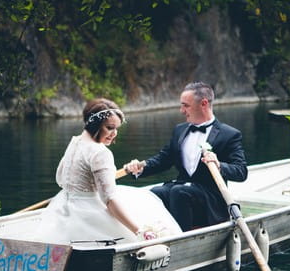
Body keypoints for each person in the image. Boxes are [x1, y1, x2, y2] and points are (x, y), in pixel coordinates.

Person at [35, 98, 182, 244]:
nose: (114, 133)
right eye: (110, 128)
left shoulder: (75, 141)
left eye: (116, 128)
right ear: (95, 125)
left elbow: (60, 178)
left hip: (65, 205)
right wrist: (139, 231)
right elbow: (110, 201)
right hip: (88, 212)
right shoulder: (100, 152)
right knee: (146, 204)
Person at [124, 82, 248, 231]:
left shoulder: (229, 134)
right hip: (183, 191)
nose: (181, 110)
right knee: (156, 192)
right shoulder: (179, 130)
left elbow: (241, 171)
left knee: (179, 192)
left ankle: (182, 239)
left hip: (210, 199)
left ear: (203, 103)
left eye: (186, 105)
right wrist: (140, 168)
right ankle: (159, 234)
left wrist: (219, 165)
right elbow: (163, 160)